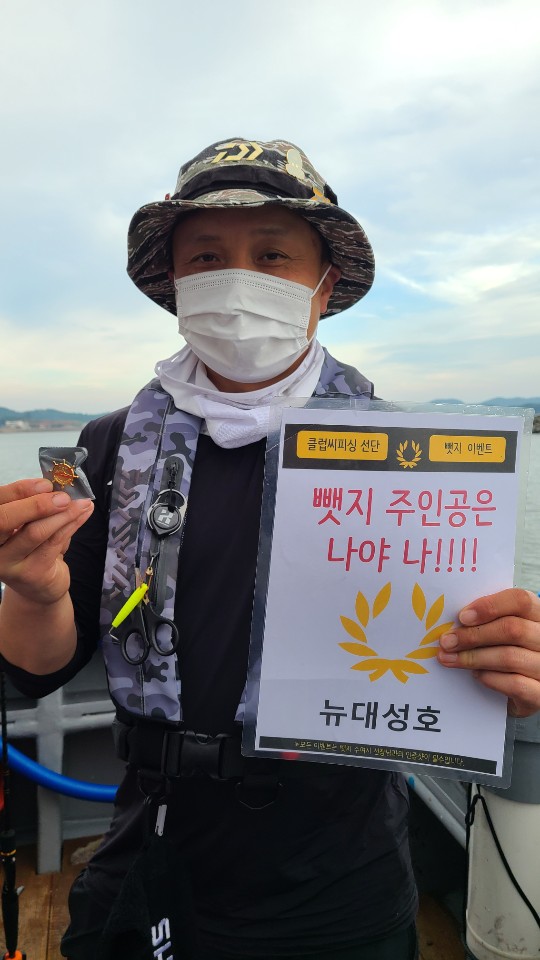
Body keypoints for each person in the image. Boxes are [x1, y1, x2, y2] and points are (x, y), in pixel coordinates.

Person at [0, 138, 539, 960]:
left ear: (324, 286)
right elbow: (38, 667)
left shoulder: (410, 457)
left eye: (273, 255)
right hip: (148, 843)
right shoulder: (106, 446)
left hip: (338, 870)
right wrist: (33, 591)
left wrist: (507, 656)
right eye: (206, 257)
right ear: (175, 283)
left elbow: (455, 639)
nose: (237, 279)